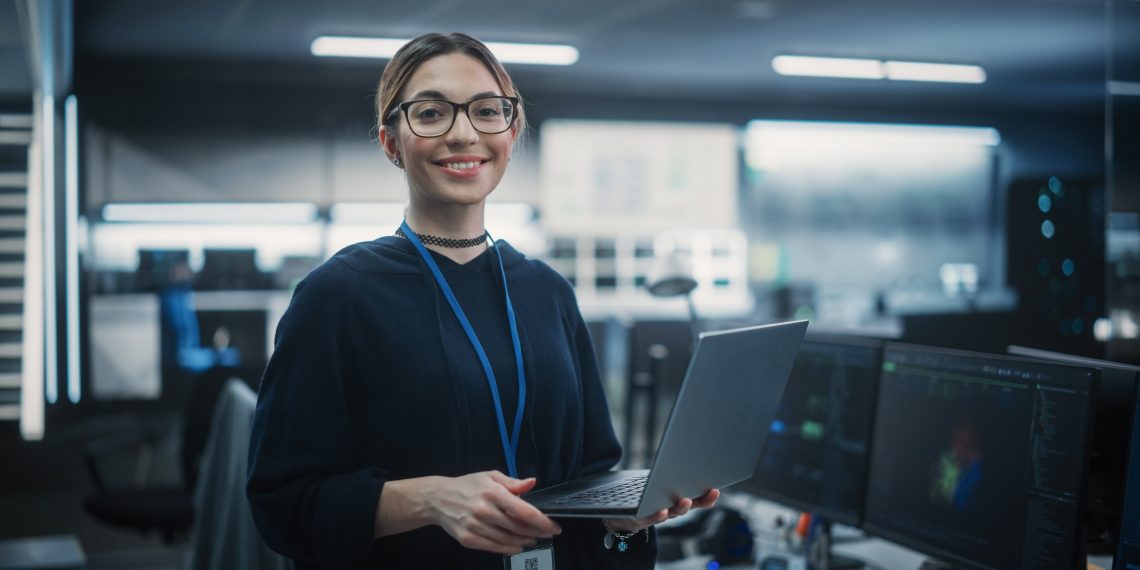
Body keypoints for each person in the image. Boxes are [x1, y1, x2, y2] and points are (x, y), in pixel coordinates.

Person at [246, 32, 718, 569]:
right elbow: (280, 506)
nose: (463, 133)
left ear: (511, 132)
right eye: (430, 114)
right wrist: (428, 500)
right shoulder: (337, 296)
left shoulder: (547, 290)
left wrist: (624, 512)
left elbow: (593, 468)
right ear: (391, 141)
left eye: (487, 111)